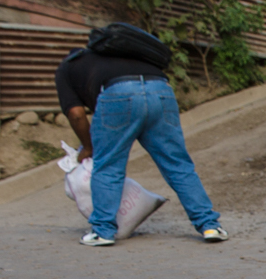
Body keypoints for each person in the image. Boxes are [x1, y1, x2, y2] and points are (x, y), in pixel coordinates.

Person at [55, 37, 227, 247]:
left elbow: (76, 114)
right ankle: (210, 226)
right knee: (177, 163)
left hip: (118, 94)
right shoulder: (114, 54)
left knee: (108, 165)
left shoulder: (66, 69)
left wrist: (88, 146)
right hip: (160, 90)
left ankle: (103, 231)